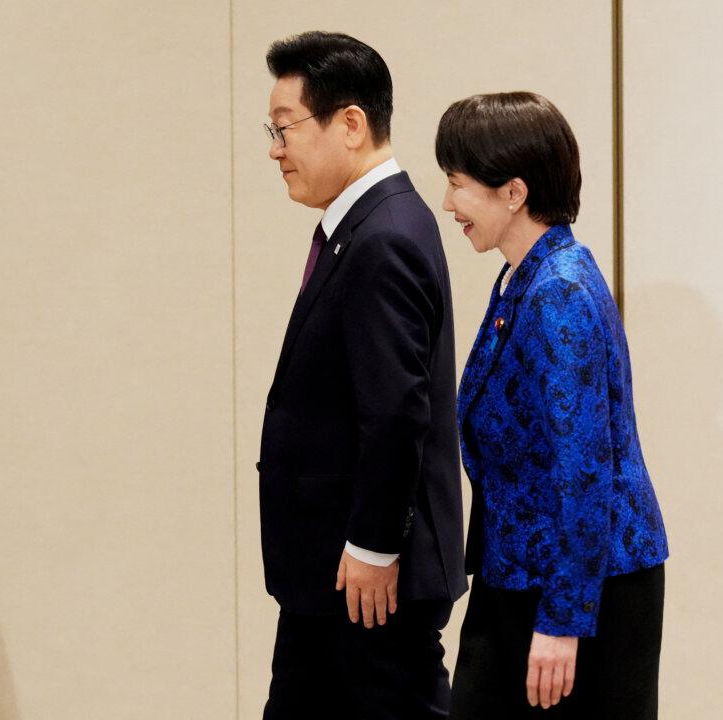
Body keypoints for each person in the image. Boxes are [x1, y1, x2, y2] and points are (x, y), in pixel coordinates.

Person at [436, 92, 670, 719]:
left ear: (512, 192)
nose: (448, 203)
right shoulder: (522, 277)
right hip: (520, 573)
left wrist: (563, 620)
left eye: (457, 185)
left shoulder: (558, 291)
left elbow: (585, 469)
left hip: (581, 589)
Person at [257, 31, 466, 720]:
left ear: (350, 123)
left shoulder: (387, 235)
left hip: (369, 578)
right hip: (331, 573)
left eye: (285, 128)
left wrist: (375, 545)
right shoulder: (365, 227)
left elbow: (398, 411)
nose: (274, 150)